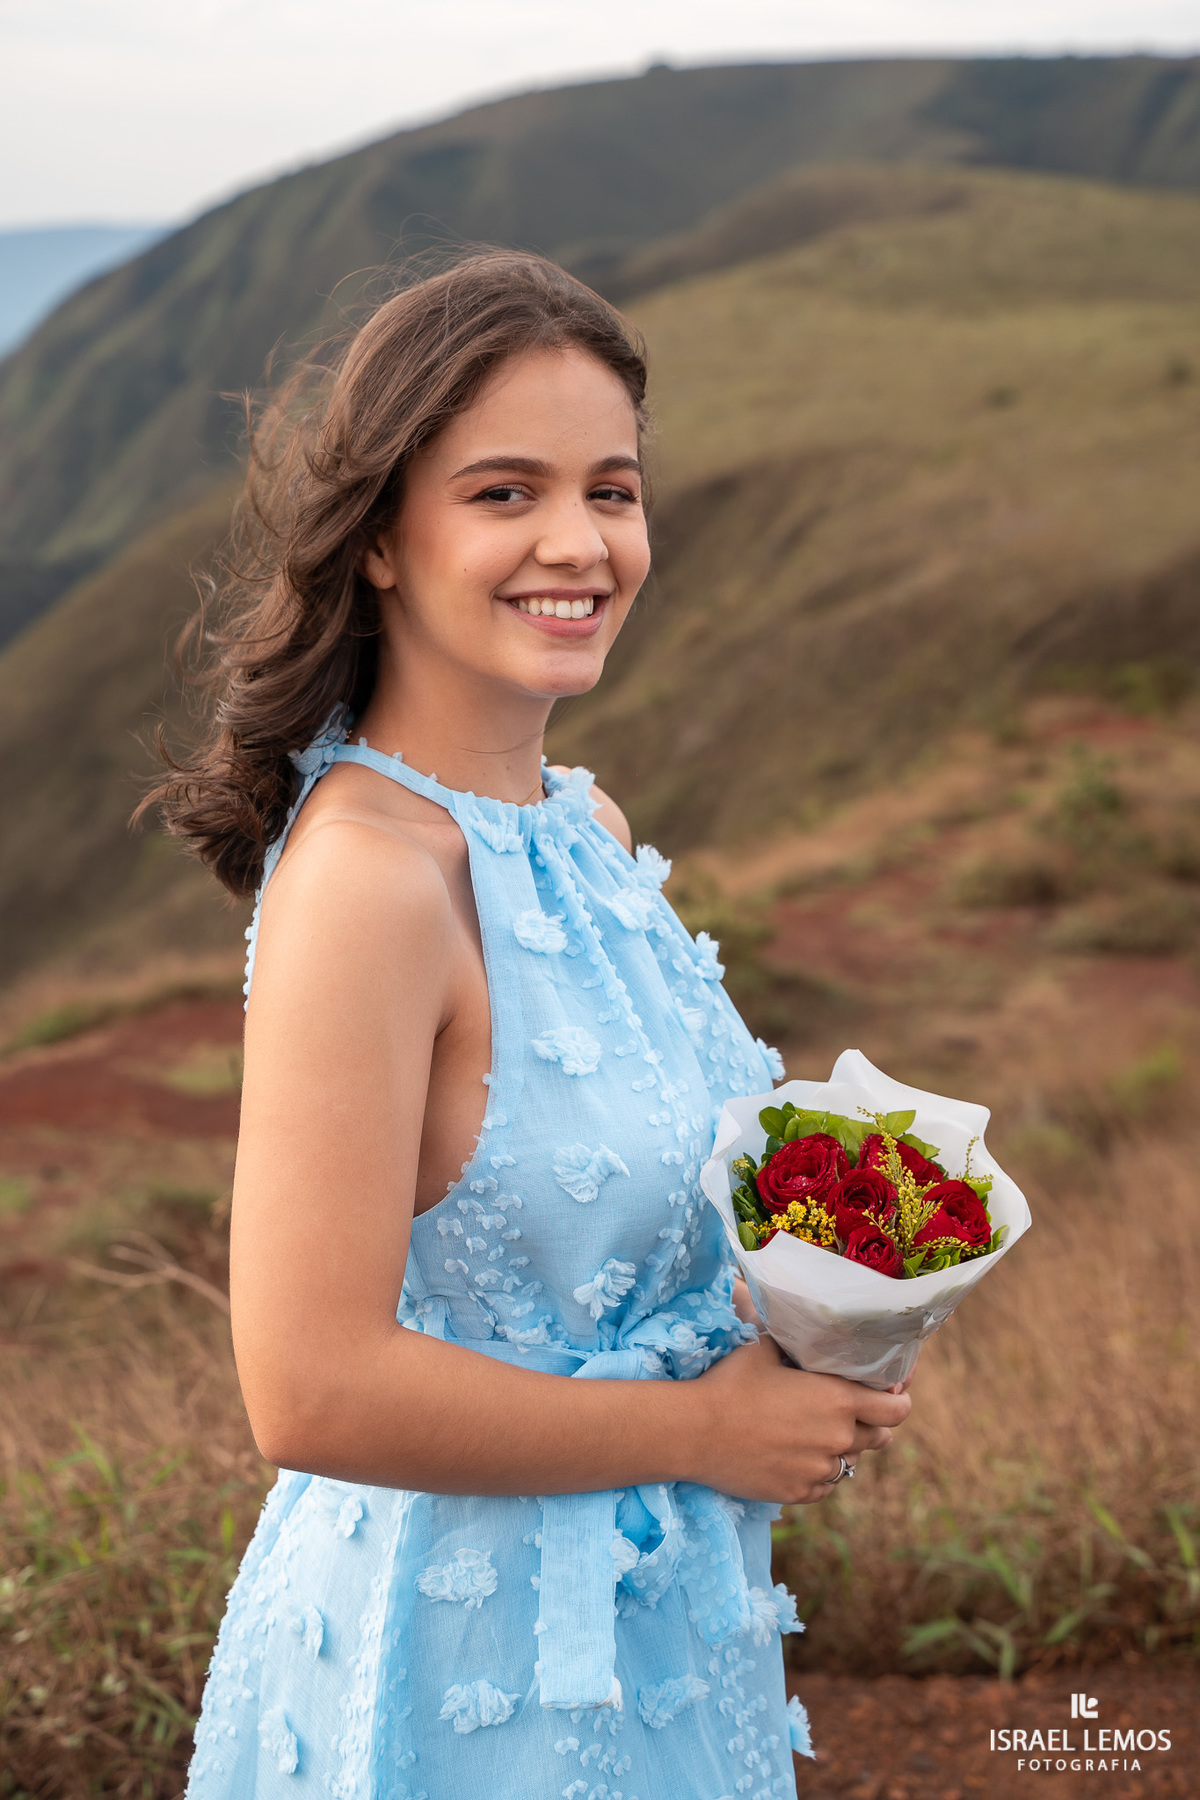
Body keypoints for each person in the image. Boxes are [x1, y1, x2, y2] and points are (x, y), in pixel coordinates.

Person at [154, 250, 911, 1799]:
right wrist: (701, 1433)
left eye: (612, 491)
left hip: (664, 1621)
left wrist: (830, 1305)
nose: (580, 542)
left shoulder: (580, 823)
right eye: (505, 493)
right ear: (379, 538)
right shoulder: (367, 880)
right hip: (459, 1674)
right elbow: (306, 1385)